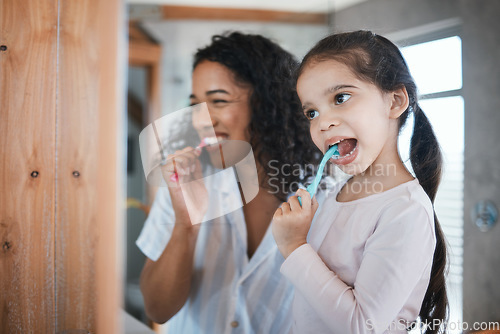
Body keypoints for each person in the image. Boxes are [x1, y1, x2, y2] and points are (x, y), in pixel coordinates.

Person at [136, 31, 319, 333]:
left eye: (218, 101)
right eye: (195, 104)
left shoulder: (324, 193)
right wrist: (186, 226)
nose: (201, 120)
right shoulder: (183, 185)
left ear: (267, 105)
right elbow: (157, 308)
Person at [272, 30, 449, 334]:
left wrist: (294, 246)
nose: (322, 123)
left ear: (394, 101)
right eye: (311, 112)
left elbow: (361, 326)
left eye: (341, 98)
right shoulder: (337, 193)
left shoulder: (405, 210)